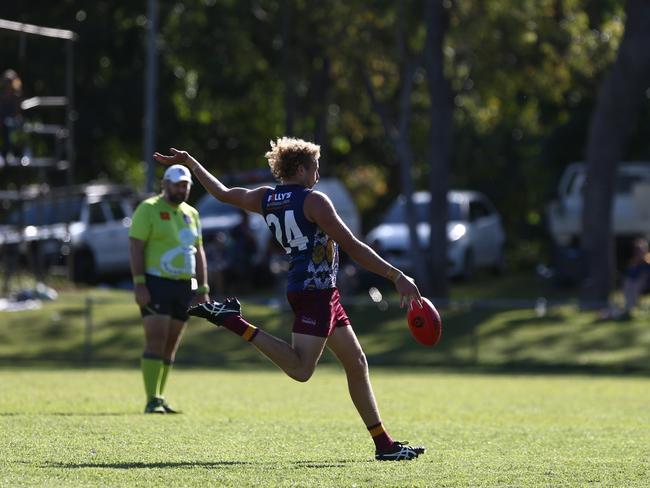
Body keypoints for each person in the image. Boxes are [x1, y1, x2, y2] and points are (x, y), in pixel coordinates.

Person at [153, 138, 426, 461]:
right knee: (301, 369)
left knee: (356, 362)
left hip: (317, 290)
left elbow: (223, 193)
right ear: (300, 169)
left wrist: (192, 162)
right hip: (315, 292)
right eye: (315, 167)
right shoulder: (314, 201)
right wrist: (397, 276)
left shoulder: (267, 198)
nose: (318, 174)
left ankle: (384, 445)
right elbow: (352, 246)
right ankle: (233, 321)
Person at [128, 164, 210, 413]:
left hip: (184, 286)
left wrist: (202, 288)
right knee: (156, 339)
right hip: (156, 283)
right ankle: (151, 399)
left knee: (171, 344)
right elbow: (135, 247)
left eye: (185, 185)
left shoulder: (192, 213)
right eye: (177, 184)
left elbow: (198, 253)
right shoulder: (148, 209)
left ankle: (160, 397)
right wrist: (140, 283)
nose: (182, 189)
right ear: (165, 184)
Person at [0, 69, 23, 164]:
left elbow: (17, 113)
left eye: (9, 81)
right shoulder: (1, 95)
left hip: (14, 123)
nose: (7, 84)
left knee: (9, 125)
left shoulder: (17, 95)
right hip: (3, 122)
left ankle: (12, 152)